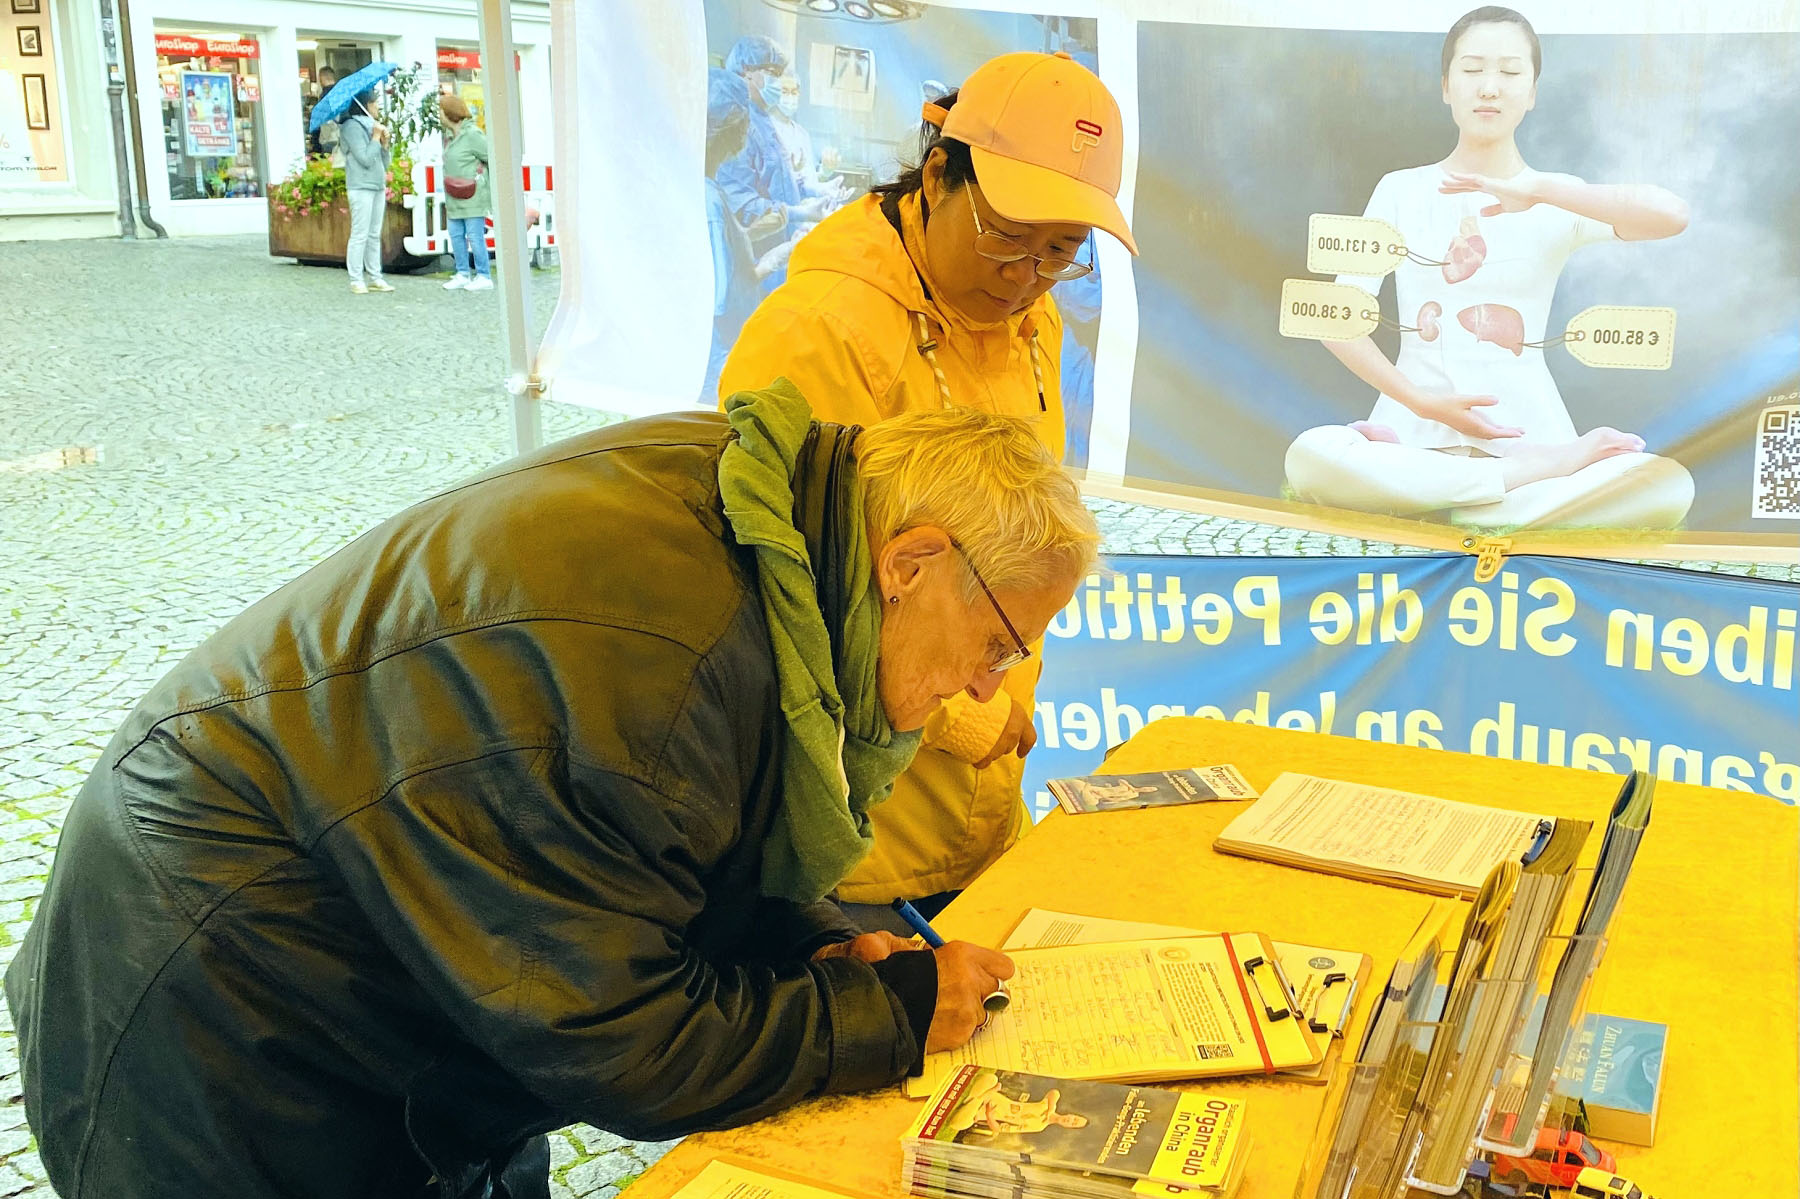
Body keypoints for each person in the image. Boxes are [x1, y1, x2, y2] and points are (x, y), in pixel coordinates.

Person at [5, 384, 1100, 1199]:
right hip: (226, 1002)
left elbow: (668, 845)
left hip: (402, 946)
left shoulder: (775, 512)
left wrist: (811, 942)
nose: (987, 687)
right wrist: (886, 1014)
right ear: (909, 562)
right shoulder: (659, 665)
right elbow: (622, 1038)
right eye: (999, 643)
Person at [719, 51, 1138, 931]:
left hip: (979, 820)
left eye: (1061, 249)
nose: (1025, 275)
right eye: (1007, 235)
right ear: (939, 175)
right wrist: (974, 720)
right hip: (853, 847)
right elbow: (796, 603)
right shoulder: (820, 332)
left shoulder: (1030, 316)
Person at [1284, 6, 1693, 529]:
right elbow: (1338, 323)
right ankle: (1500, 489)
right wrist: (1422, 404)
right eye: (1473, 70)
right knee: (1311, 454)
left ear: (1532, 92)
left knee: (1665, 483)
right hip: (1410, 438)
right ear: (1446, 86)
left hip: (1533, 440)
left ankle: (1450, 497)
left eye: (1510, 72)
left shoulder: (1556, 197)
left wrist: (1538, 189)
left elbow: (1670, 216)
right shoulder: (1401, 189)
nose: (1490, 88)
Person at [703, 68, 793, 403]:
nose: (748, 128)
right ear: (731, 126)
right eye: (744, 119)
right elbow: (722, 301)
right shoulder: (711, 202)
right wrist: (775, 258)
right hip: (719, 362)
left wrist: (778, 252)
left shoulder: (710, 190)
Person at [716, 36, 830, 277]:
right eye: (772, 73)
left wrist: (812, 192)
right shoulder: (737, 125)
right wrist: (797, 214)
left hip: (781, 243)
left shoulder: (762, 120)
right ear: (746, 71)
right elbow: (743, 205)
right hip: (758, 255)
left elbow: (778, 180)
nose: (778, 81)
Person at [339, 86, 394, 294]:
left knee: (374, 234)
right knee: (360, 233)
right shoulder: (351, 127)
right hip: (360, 185)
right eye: (374, 103)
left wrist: (384, 144)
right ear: (365, 105)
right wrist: (375, 138)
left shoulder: (373, 126)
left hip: (377, 184)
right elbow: (364, 158)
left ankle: (375, 276)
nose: (377, 107)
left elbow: (384, 163)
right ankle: (356, 278)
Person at [438, 92, 494, 292]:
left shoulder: (472, 135)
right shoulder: (450, 137)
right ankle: (462, 273)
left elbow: (491, 157)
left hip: (473, 195)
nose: (439, 115)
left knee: (475, 236)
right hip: (454, 195)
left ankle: (484, 275)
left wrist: (486, 184)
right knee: (455, 235)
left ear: (449, 113)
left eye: (441, 111)